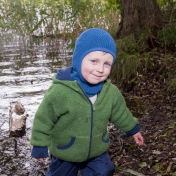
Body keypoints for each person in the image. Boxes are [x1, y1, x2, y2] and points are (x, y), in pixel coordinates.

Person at [30, 28, 144, 176]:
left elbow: (120, 113)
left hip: (97, 150)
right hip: (66, 151)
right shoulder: (60, 92)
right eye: (94, 61)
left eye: (107, 64)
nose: (100, 69)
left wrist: (133, 129)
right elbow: (44, 119)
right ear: (79, 59)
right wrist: (39, 144)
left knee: (104, 171)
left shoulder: (110, 92)